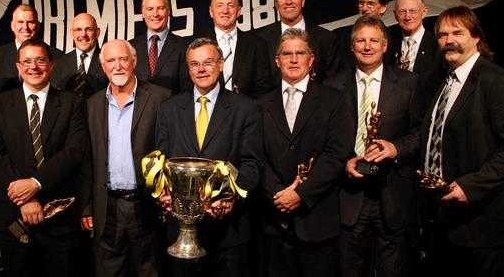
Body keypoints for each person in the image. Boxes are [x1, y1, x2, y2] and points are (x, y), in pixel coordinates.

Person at [325, 15, 423, 277]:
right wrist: (344, 161)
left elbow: (422, 132)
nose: (367, 46)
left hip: (393, 195)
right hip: (349, 196)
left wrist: (396, 148)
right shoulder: (332, 86)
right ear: (351, 46)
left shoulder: (409, 84)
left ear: (385, 45)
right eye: (360, 40)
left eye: (373, 40)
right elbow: (326, 138)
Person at [156, 37, 264, 277]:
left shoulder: (246, 108)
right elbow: (161, 160)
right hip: (180, 230)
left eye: (207, 62)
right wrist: (162, 190)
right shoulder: (169, 108)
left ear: (221, 64)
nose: (201, 69)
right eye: (194, 64)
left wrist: (229, 198)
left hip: (228, 231)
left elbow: (252, 164)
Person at [0, 40, 90, 277]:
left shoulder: (71, 102)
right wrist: (24, 198)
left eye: (41, 60)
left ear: (52, 65)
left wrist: (35, 184)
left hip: (59, 215)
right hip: (13, 214)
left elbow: (74, 151)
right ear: (18, 67)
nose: (34, 66)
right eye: (27, 61)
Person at [419, 6, 504, 276]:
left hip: (482, 225)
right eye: (443, 35)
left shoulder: (495, 80)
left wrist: (470, 186)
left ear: (476, 37)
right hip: (445, 218)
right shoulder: (445, 82)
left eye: (457, 32)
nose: (449, 40)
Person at [258, 28, 351, 277]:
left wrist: (300, 193)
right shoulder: (260, 104)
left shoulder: (334, 100)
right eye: (287, 54)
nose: (294, 59)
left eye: (300, 53)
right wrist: (279, 195)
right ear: (277, 61)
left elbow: (336, 154)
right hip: (273, 221)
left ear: (311, 60)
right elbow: (256, 156)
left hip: (317, 219)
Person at [82, 39, 171, 276]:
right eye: (111, 60)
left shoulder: (161, 98)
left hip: (146, 204)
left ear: (134, 62)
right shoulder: (91, 105)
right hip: (106, 205)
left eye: (123, 59)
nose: (118, 66)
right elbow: (87, 160)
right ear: (103, 67)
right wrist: (88, 206)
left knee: (150, 270)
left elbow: (170, 150)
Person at [255, 0, 340, 83]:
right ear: (276, 3)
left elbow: (332, 84)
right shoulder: (259, 38)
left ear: (303, 0)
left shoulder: (326, 39)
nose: (288, 1)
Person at [196, 0, 274, 98]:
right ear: (211, 11)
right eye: (219, 5)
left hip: (246, 111)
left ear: (238, 11)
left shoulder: (257, 44)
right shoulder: (196, 45)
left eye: (230, 5)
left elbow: (264, 87)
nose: (225, 11)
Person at [0, 4, 63, 93]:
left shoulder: (57, 56)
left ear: (38, 25)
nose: (25, 27)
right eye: (20, 22)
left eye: (30, 22)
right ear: (12, 26)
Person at [387, 0, 446, 103]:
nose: (407, 17)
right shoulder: (388, 44)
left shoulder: (438, 44)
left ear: (424, 12)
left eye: (412, 11)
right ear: (395, 15)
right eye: (402, 11)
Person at [129, 0, 190, 94]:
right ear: (143, 13)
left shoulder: (184, 46)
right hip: (138, 109)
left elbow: (186, 88)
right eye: (150, 9)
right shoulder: (130, 46)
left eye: (160, 8)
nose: (155, 14)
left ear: (169, 11)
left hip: (172, 108)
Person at [335, 0, 390, 70]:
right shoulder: (339, 36)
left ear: (383, 8)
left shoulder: (394, 38)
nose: (364, 8)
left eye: (370, 4)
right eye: (361, 3)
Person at [52, 12, 108, 98]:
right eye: (78, 30)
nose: (83, 34)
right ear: (71, 33)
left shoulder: (109, 61)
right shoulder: (59, 64)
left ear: (97, 32)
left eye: (89, 29)